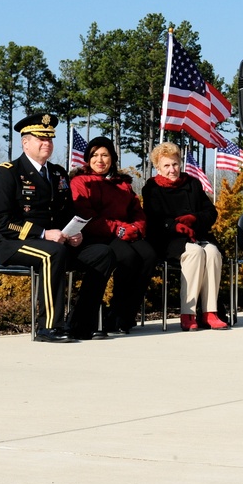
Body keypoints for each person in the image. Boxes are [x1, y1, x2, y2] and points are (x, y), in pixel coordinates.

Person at [0, 113, 114, 342]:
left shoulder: (57, 173)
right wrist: (44, 233)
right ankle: (48, 327)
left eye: (50, 139)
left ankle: (79, 324)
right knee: (52, 253)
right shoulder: (8, 173)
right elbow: (1, 222)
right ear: (25, 143)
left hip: (57, 242)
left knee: (102, 253)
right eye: (40, 139)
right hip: (13, 243)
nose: (47, 143)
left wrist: (74, 233)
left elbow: (66, 213)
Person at [70, 136, 156, 335]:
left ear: (113, 158)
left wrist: (137, 226)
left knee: (149, 256)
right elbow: (85, 215)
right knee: (128, 257)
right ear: (88, 159)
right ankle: (113, 314)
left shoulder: (122, 184)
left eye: (105, 155)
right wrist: (118, 228)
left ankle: (126, 313)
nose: (100, 160)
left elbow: (137, 210)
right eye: (95, 155)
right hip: (98, 235)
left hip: (124, 232)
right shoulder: (80, 181)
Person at [142, 142, 229, 332]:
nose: (172, 169)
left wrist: (194, 219)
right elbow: (154, 218)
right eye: (166, 165)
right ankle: (187, 313)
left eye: (175, 164)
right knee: (195, 252)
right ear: (158, 167)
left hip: (197, 234)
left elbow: (210, 212)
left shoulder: (192, 183)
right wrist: (175, 226)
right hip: (168, 239)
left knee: (213, 252)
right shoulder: (151, 188)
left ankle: (210, 312)